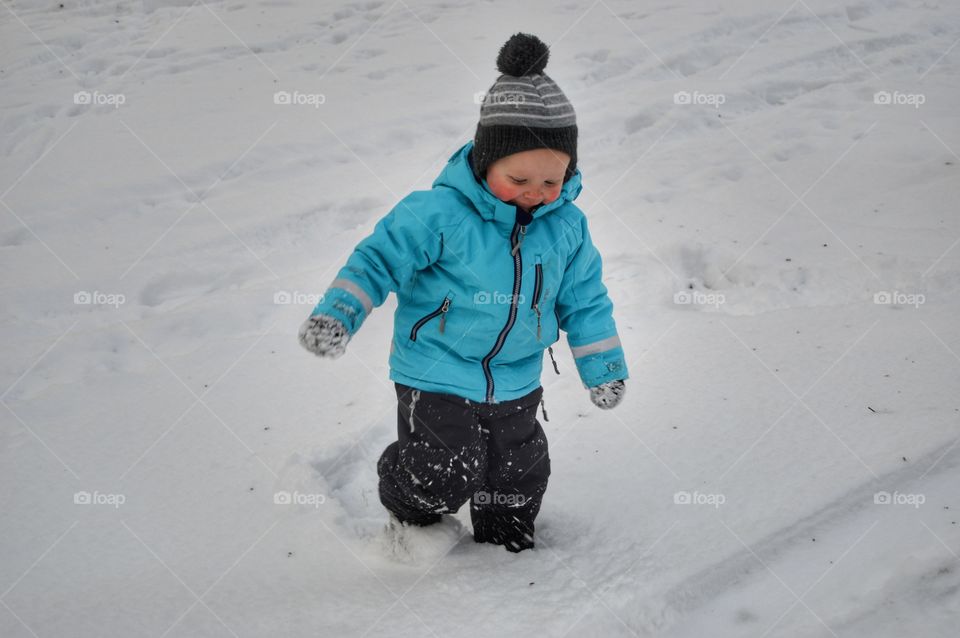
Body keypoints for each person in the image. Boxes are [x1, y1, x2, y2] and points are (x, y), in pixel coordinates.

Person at [299, 33, 627, 553]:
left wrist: (603, 367)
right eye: (519, 178)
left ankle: (503, 543)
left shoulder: (567, 227)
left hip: (517, 377)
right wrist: (338, 314)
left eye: (552, 181)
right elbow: (376, 260)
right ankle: (406, 497)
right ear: (485, 161)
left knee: (518, 471)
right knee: (444, 469)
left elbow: (585, 301)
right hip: (436, 369)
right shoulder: (438, 214)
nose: (536, 194)